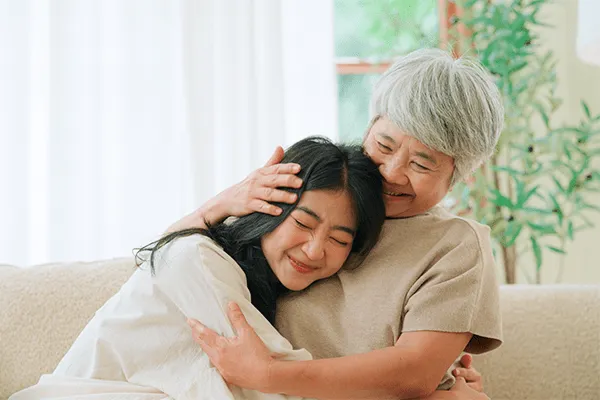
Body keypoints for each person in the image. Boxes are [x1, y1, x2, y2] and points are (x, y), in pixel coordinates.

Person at [174, 48, 505, 400]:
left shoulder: (456, 245)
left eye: (421, 165)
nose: (392, 174)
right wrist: (223, 203)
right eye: (384, 145)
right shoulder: (315, 192)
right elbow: (167, 262)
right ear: (369, 127)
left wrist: (270, 375)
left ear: (459, 174)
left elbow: (415, 373)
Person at [9, 137, 386, 400]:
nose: (315, 248)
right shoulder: (200, 260)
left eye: (340, 240)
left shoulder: (244, 279)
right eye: (303, 223)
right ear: (270, 207)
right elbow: (274, 384)